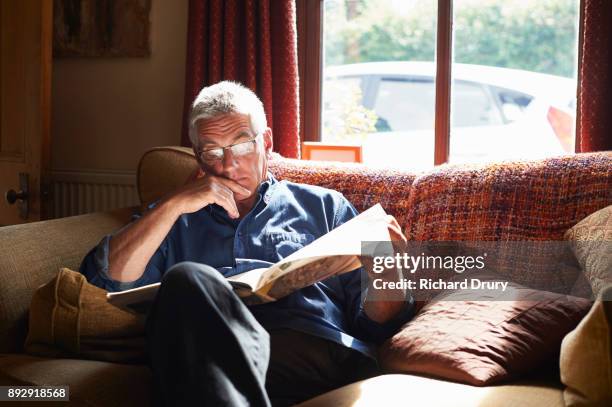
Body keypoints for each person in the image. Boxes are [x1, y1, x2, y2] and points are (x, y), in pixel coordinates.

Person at [80, 81, 414, 407]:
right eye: (212, 151)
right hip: (209, 349)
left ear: (266, 141)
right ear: (197, 157)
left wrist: (384, 266)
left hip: (308, 349)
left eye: (241, 145)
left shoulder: (325, 206)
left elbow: (377, 324)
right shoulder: (175, 217)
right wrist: (173, 204)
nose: (228, 165)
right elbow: (104, 283)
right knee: (187, 279)